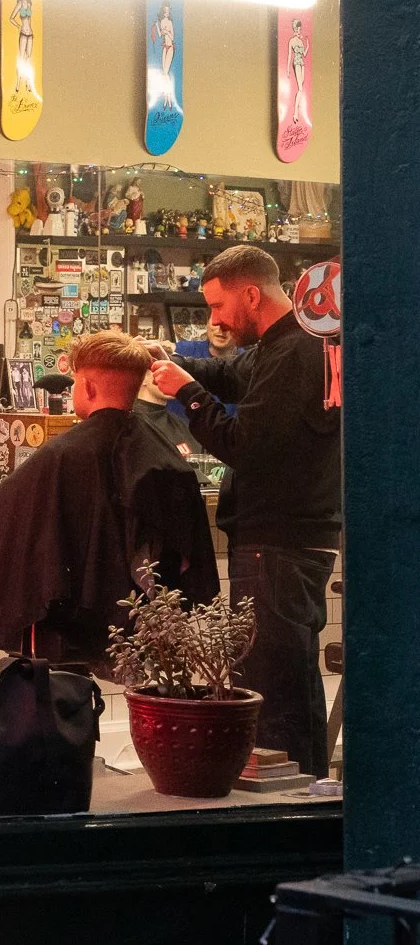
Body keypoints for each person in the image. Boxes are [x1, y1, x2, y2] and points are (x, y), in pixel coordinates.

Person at [0, 332, 216, 683]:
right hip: (137, 623)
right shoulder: (165, 455)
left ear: (87, 387)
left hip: (65, 622)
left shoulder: (63, 456)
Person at [148, 244, 341, 775]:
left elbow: (241, 444)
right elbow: (234, 377)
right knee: (290, 680)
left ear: (251, 294)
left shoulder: (296, 352)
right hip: (286, 537)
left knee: (276, 690)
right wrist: (173, 364)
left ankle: (293, 813)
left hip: (280, 540)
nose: (214, 320)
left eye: (217, 306)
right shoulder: (286, 343)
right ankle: (307, 792)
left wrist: (186, 395)